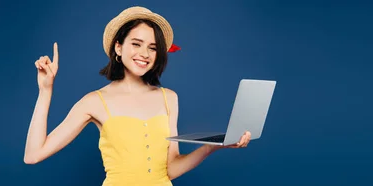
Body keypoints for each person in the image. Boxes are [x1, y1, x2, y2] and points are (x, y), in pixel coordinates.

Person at [23, 6, 251, 186]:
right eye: (136, 44)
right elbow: (33, 155)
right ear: (118, 48)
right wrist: (45, 90)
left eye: (152, 47)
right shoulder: (94, 101)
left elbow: (171, 169)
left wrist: (212, 146)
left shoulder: (169, 97)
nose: (145, 54)